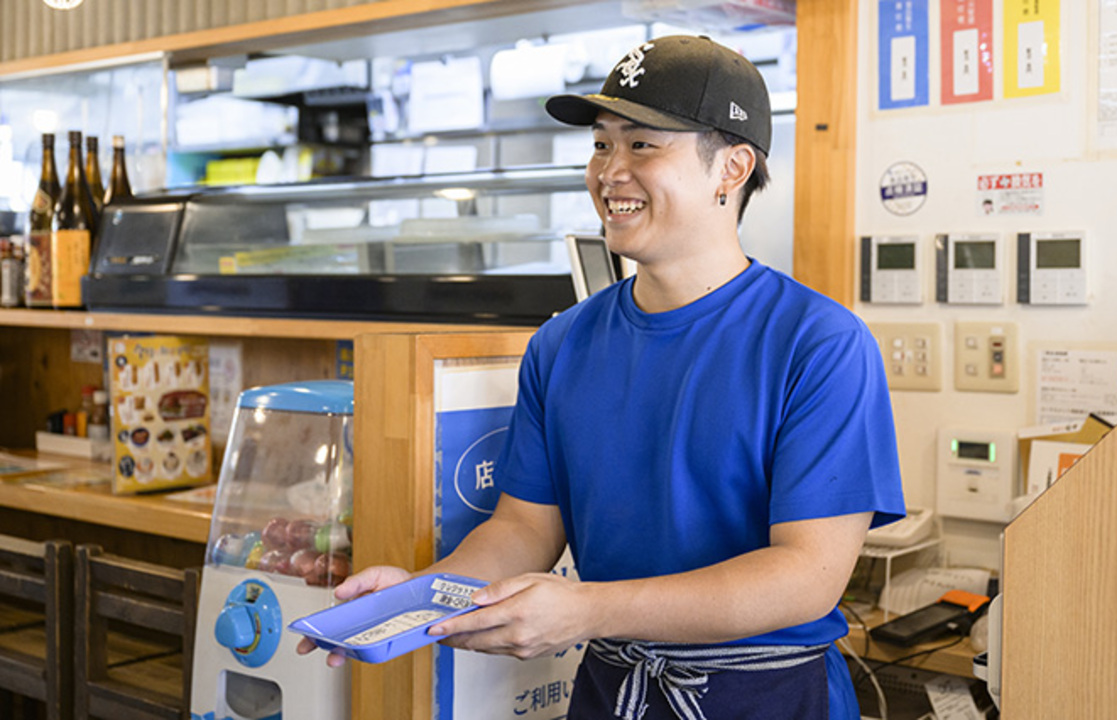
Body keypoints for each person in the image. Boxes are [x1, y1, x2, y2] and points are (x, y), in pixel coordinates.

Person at [300, 35, 905, 719]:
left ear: (731, 168)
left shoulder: (817, 343)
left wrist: (587, 609)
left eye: (643, 144)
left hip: (767, 695)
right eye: (600, 144)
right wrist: (418, 598)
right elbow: (523, 529)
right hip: (612, 689)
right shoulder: (563, 343)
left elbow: (806, 578)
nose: (610, 171)